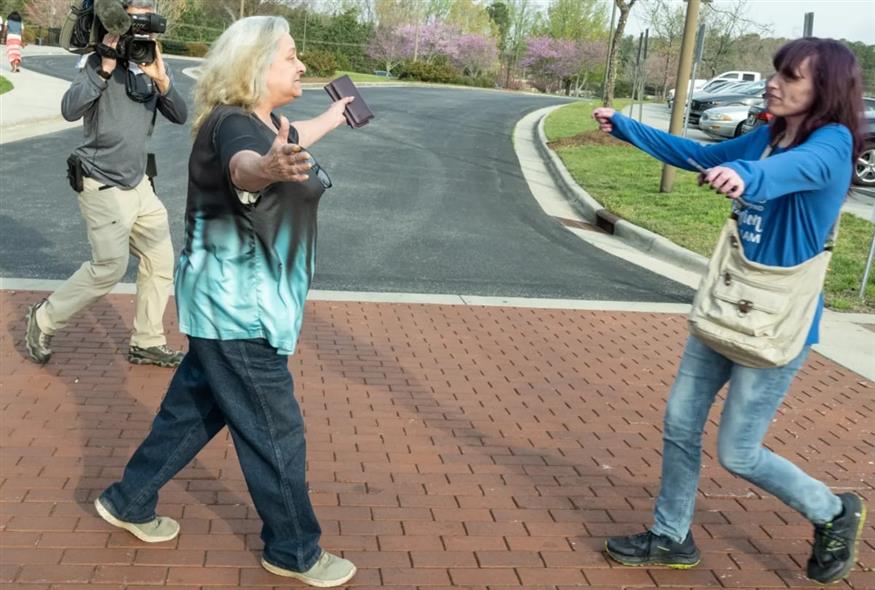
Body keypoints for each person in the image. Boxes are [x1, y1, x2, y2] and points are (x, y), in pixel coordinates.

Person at [93, 16, 357, 588]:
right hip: (239, 310)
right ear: (256, 67)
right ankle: (293, 550)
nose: (302, 64)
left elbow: (288, 140)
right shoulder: (236, 126)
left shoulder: (264, 121)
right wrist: (266, 171)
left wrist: (335, 117)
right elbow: (247, 165)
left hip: (229, 305)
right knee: (275, 431)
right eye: (290, 56)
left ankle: (127, 500)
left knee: (195, 410)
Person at [596, 38, 867, 585]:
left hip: (777, 323)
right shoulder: (770, 133)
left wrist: (749, 178)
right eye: (776, 72)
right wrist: (626, 126)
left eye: (791, 76)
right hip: (727, 304)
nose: (774, 83)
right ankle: (671, 536)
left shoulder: (833, 143)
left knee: (739, 453)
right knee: (679, 421)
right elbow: (698, 156)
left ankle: (833, 511)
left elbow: (798, 169)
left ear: (826, 89)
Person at [24, 0, 187, 368]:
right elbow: (70, 108)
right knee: (109, 268)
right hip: (102, 181)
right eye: (135, 14)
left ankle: (147, 341)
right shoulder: (98, 61)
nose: (140, 28)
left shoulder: (151, 64)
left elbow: (179, 115)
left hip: (139, 183)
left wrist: (162, 79)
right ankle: (43, 318)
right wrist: (105, 68)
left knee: (160, 259)